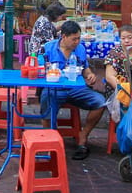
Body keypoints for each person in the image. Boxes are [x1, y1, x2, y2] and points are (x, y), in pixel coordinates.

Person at [40, 20, 106, 160]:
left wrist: (90, 76)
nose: (77, 42)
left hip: (77, 89)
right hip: (54, 88)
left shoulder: (80, 49)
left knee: (100, 103)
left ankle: (83, 136)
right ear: (63, 36)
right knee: (45, 101)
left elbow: (85, 69)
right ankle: (50, 138)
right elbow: (40, 70)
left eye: (78, 38)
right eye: (74, 39)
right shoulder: (48, 48)